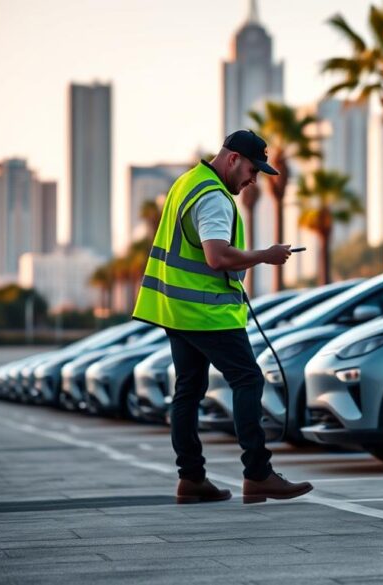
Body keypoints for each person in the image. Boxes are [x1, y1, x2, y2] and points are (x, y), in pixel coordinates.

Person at [132, 130, 313, 504]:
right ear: (232, 160)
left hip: (176, 309)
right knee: (247, 379)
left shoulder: (189, 182)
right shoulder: (214, 196)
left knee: (188, 390)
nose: (253, 180)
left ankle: (192, 479)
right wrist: (266, 254)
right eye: (251, 170)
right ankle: (258, 474)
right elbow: (217, 256)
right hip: (206, 311)